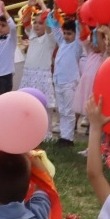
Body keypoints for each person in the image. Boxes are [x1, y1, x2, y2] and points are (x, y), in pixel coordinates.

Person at [49, 14, 81, 146]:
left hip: (69, 82)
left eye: (70, 33)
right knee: (61, 110)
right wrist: (54, 12)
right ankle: (63, 136)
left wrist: (78, 13)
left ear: (75, 34)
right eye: (65, 33)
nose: (67, 36)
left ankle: (69, 138)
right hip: (58, 81)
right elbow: (55, 29)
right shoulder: (62, 42)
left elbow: (79, 29)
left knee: (68, 111)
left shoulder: (76, 46)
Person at [20, 7, 55, 108]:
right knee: (27, 103)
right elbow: (26, 22)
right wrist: (29, 7)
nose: (36, 25)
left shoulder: (50, 38)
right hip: (28, 75)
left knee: (42, 105)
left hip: (42, 77)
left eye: (40, 23)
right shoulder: (32, 34)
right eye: (35, 22)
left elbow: (49, 22)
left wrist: (41, 3)